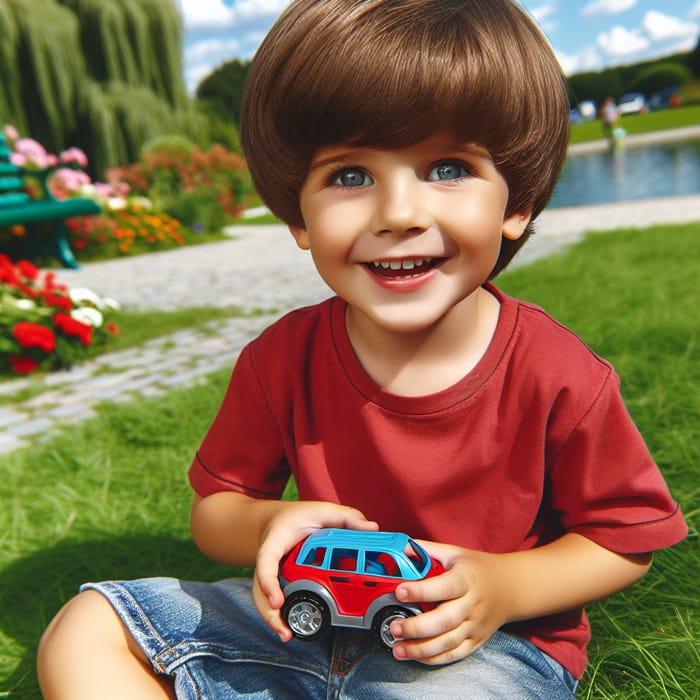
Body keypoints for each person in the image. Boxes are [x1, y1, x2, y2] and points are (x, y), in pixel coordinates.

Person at [37, 1, 688, 698]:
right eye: (350, 175)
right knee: (88, 625)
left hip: (480, 649)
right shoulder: (281, 358)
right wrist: (270, 523)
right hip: (302, 622)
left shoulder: (559, 374)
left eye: (446, 167)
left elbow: (624, 538)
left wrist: (503, 585)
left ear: (516, 202)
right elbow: (216, 509)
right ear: (298, 215)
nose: (399, 213)